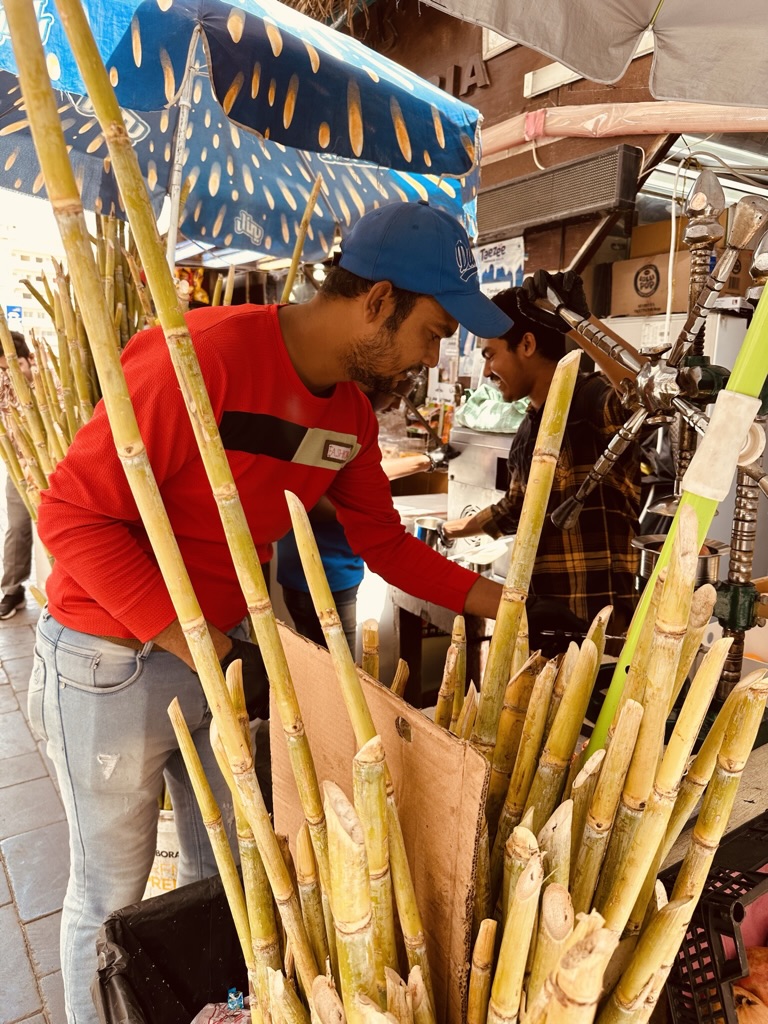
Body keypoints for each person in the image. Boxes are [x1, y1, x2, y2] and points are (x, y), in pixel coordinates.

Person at [30, 201, 512, 1024]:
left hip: (213, 657)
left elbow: (385, 545)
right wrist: (202, 642)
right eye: (431, 332)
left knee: (224, 879)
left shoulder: (350, 417)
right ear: (378, 300)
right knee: (109, 894)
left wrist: (508, 603)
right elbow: (69, 516)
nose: (433, 355)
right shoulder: (202, 357)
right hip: (109, 658)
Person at [442, 271, 642, 653]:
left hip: (601, 633)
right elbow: (516, 508)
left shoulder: (589, 402)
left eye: (490, 354)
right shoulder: (529, 426)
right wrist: (455, 529)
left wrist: (581, 323)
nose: (486, 371)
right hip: (546, 620)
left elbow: (643, 397)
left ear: (527, 345)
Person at [0, 330, 34, 619]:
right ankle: (13, 590)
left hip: (59, 465)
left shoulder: (51, 378)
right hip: (20, 468)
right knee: (18, 528)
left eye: (14, 366)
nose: (8, 374)